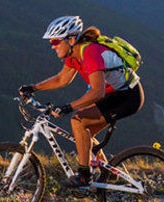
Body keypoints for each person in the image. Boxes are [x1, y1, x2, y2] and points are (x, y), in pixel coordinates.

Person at [18, 16, 144, 187]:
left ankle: (83, 176)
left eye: (55, 41)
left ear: (71, 40)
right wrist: (33, 88)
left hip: (128, 96)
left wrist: (68, 107)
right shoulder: (73, 55)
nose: (52, 46)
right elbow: (62, 79)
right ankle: (109, 173)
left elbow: (97, 92)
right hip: (112, 94)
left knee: (78, 120)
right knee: (85, 134)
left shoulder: (90, 53)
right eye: (51, 42)